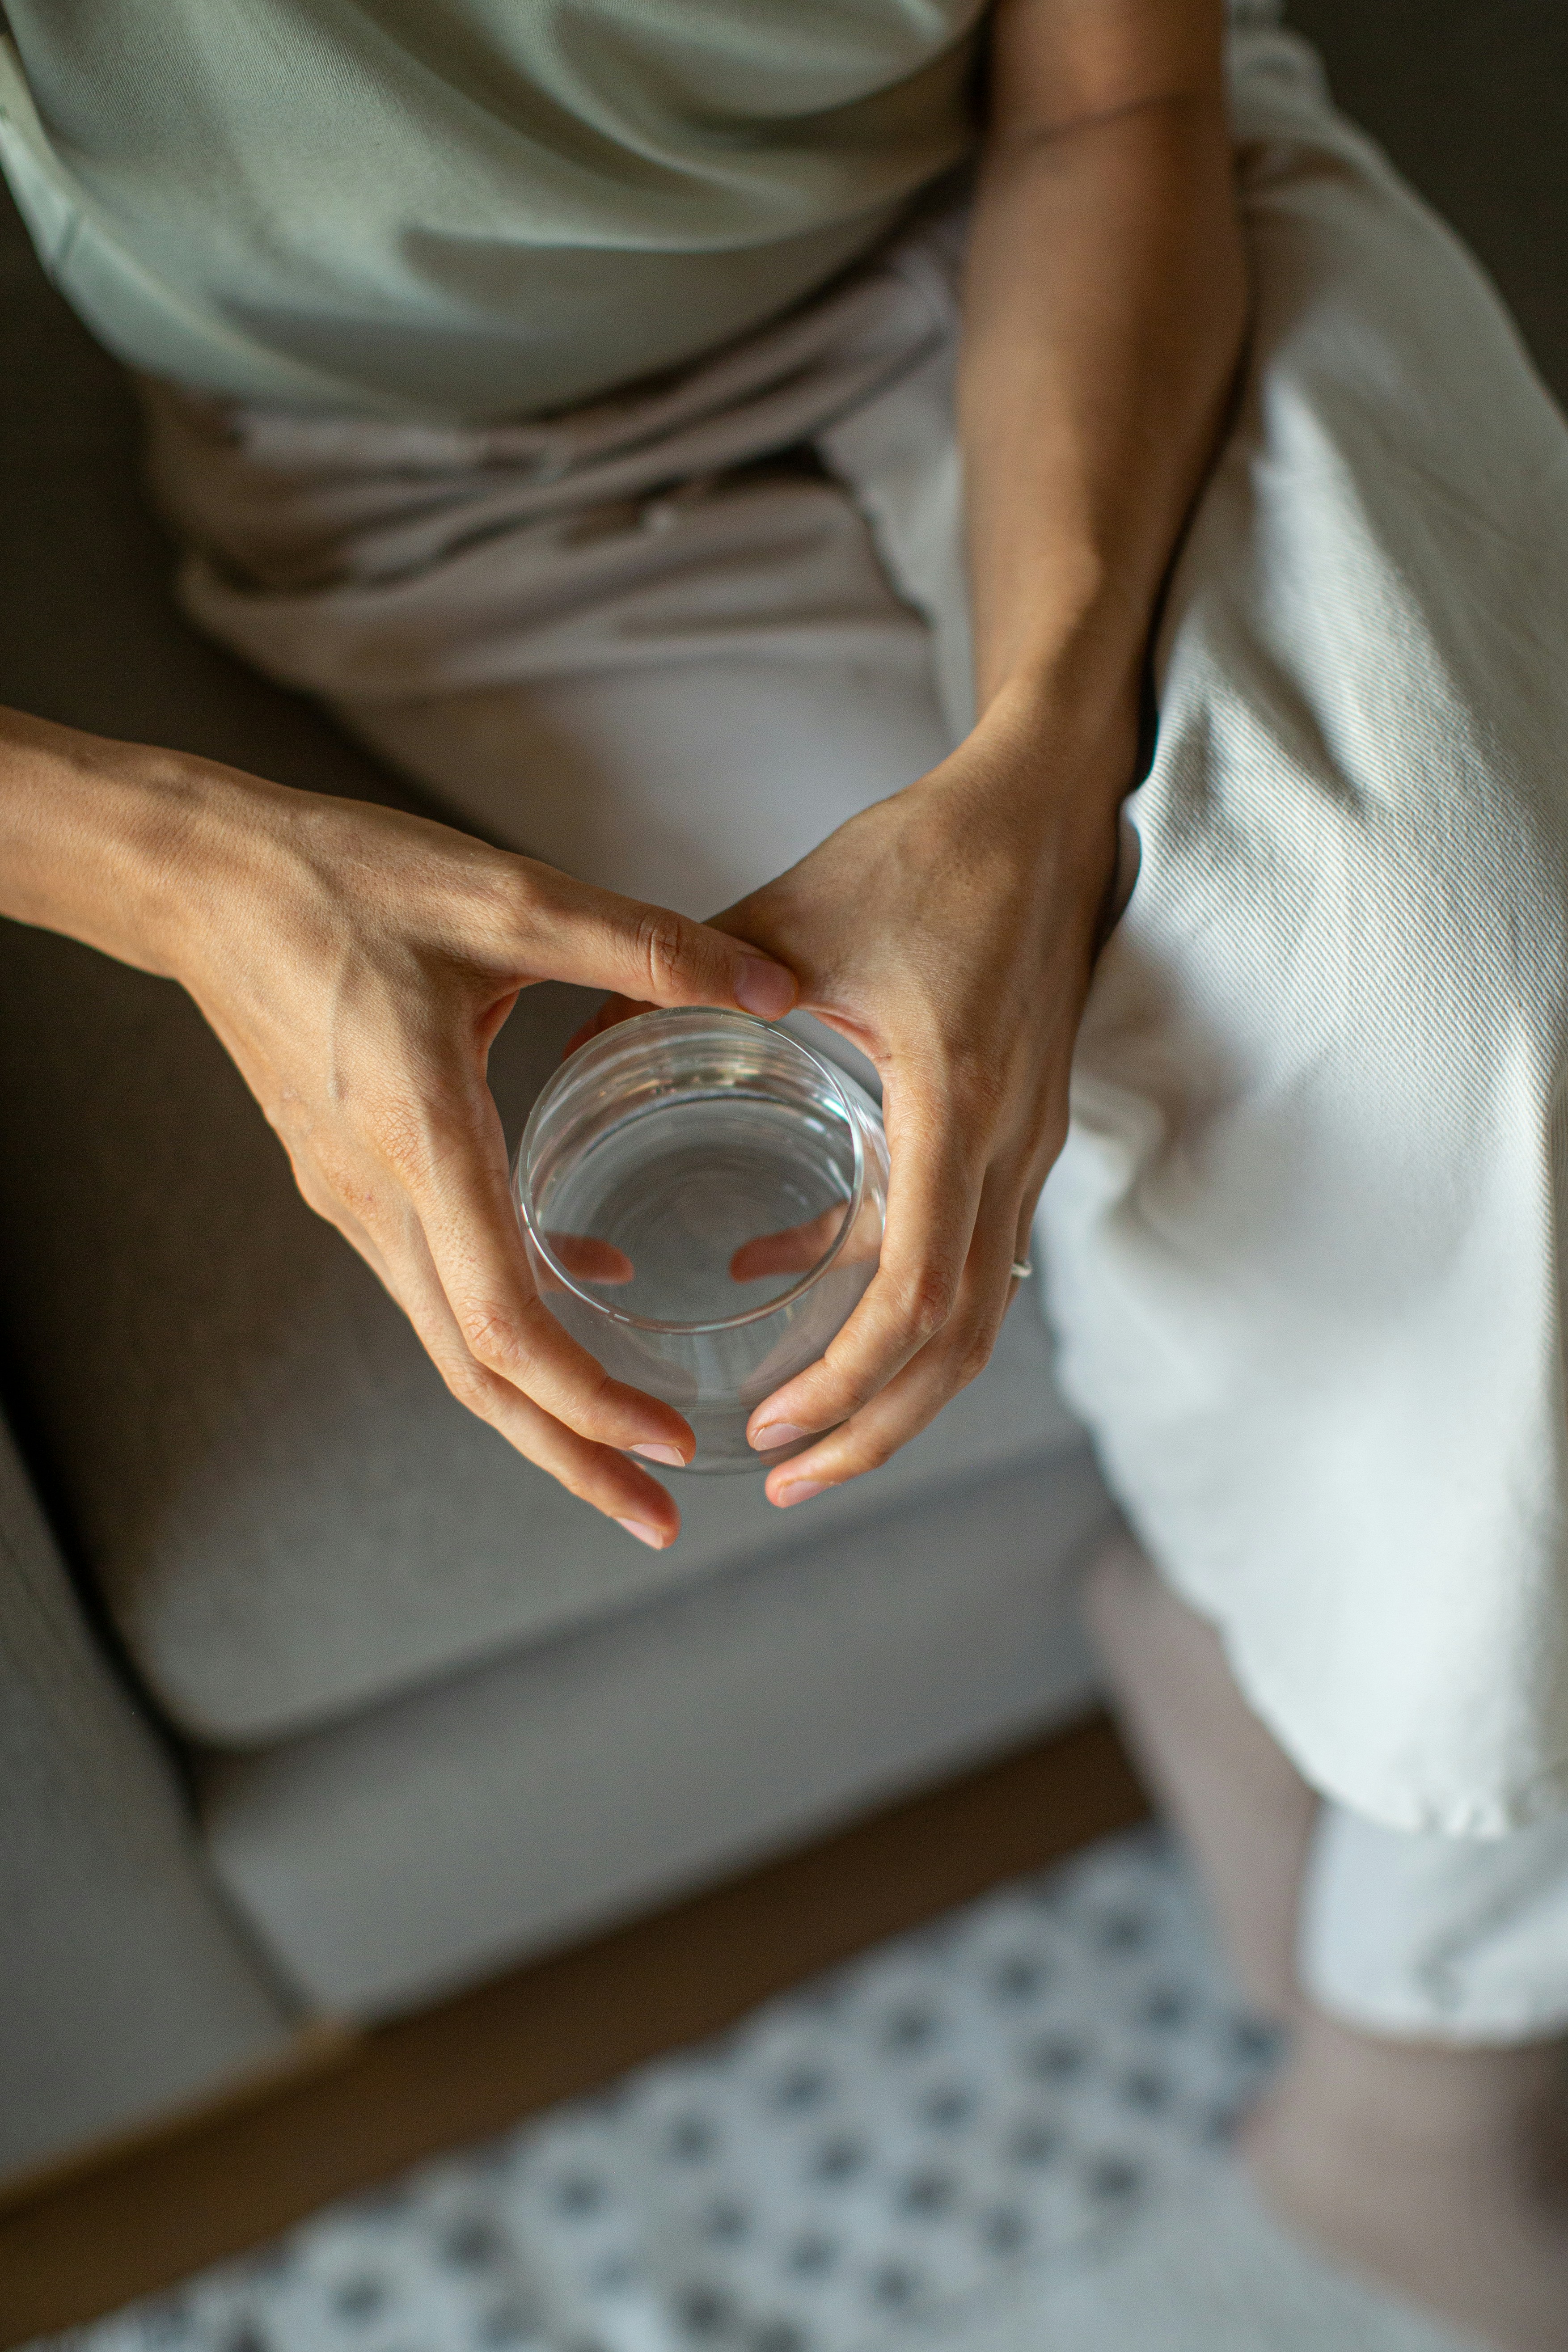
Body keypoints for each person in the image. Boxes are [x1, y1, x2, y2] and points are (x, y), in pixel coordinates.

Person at [1, 0, 1566, 2340]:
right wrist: (188, 879)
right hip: (435, 470)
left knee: (1489, 1051)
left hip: (1095, 197)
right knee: (1034, 1133)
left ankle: (1407, 2093)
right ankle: (1305, 1744)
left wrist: (1043, 767)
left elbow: (1109, 87)